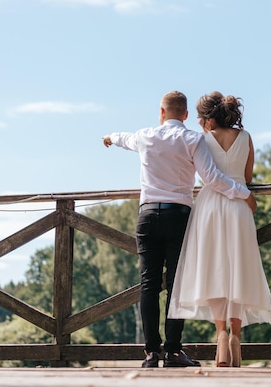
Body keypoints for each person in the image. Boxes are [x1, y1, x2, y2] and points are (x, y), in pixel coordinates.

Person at [102, 91, 257, 368]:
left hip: (147, 214)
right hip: (178, 215)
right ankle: (173, 351)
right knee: (175, 283)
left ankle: (151, 353)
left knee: (148, 284)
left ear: (161, 112)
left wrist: (110, 138)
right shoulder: (193, 139)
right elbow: (212, 178)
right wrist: (242, 193)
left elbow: (123, 138)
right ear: (185, 115)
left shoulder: (145, 135)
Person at [168, 91, 271, 367]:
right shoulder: (246, 137)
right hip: (240, 204)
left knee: (214, 269)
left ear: (207, 119)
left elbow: (203, 174)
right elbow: (248, 176)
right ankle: (236, 337)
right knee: (239, 268)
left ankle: (220, 335)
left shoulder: (202, 140)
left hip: (210, 206)